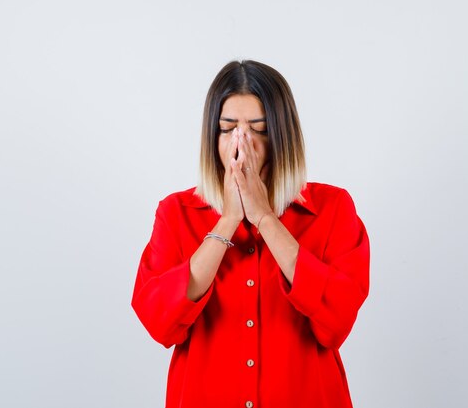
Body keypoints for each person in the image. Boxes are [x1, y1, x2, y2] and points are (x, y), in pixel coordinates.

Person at [131, 59, 370, 408]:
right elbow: (159, 323)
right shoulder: (175, 213)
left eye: (258, 129)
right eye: (228, 128)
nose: (241, 143)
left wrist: (264, 218)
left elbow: (337, 321)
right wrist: (228, 220)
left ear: (282, 136)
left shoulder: (333, 208)